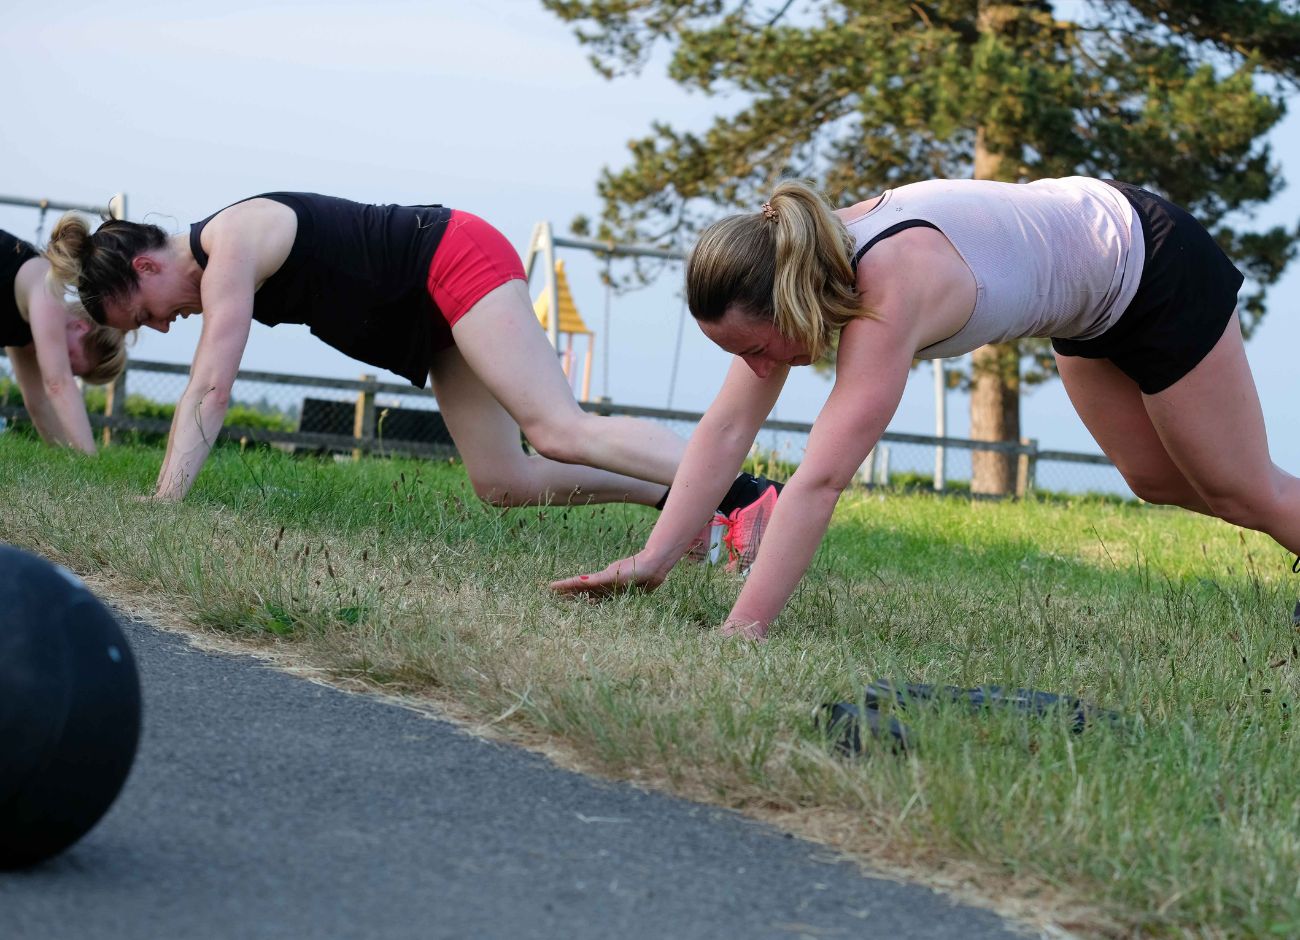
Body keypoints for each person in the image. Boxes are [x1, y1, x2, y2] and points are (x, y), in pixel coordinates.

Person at [552, 176, 1300, 638]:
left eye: (757, 348)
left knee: (1237, 485)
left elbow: (818, 481)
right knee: (1155, 478)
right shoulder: (798, 264)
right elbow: (725, 430)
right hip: (1089, 303)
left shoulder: (888, 288)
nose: (755, 370)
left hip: (1154, 266)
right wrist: (652, 561)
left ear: (791, 303)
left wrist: (742, 629)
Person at [42, 194, 778, 552]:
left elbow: (210, 384)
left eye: (145, 314)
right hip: (434, 325)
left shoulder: (227, 242)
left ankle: (747, 496)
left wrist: (167, 501)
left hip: (452, 258)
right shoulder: (217, 260)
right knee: (504, 483)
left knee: (557, 427)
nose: (163, 326)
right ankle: (688, 507)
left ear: (146, 264)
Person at [2, 229, 126, 454]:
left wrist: (69, 462)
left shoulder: (28, 335)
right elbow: (58, 383)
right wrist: (90, 464)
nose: (57, 364)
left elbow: (39, 404)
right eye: (69, 364)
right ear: (80, 327)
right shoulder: (49, 290)